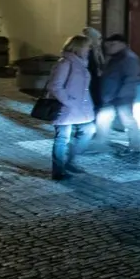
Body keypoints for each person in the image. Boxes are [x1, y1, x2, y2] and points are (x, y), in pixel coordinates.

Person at [45, 34, 97, 180]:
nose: (89, 49)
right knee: (63, 138)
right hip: (66, 108)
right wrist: (70, 102)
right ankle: (58, 171)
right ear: (78, 47)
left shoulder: (82, 63)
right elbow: (55, 86)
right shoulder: (65, 63)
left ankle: (69, 161)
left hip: (82, 108)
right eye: (87, 46)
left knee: (88, 130)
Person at [96, 34, 140, 155]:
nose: (109, 47)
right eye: (108, 44)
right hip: (111, 96)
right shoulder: (115, 57)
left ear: (122, 44)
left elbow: (130, 79)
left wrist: (121, 95)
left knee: (127, 121)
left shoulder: (128, 58)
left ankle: (135, 146)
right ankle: (100, 144)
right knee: (103, 119)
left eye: (113, 44)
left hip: (121, 97)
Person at [83, 27, 106, 112]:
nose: (101, 41)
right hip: (91, 82)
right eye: (99, 39)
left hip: (96, 82)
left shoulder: (98, 51)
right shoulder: (89, 52)